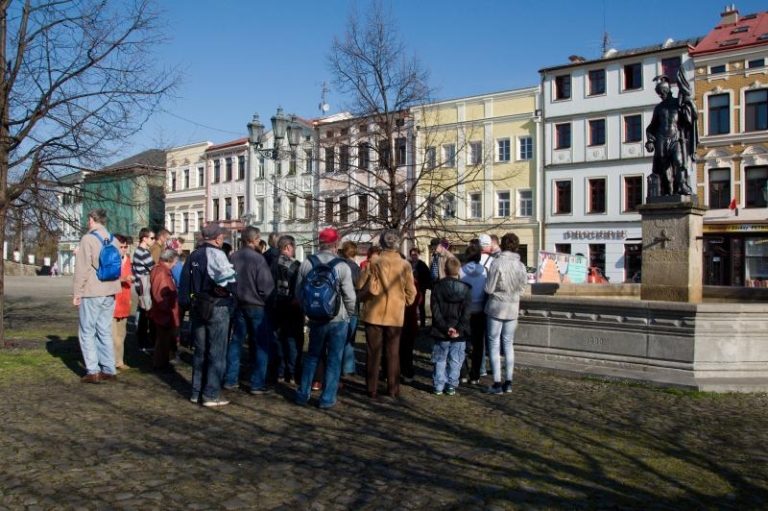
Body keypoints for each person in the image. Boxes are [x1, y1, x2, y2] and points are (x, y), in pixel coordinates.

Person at [294, 227, 356, 409]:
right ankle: (327, 398)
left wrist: (309, 310)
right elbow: (350, 297)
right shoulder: (342, 266)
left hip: (316, 318)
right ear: (336, 244)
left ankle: (302, 394)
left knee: (312, 356)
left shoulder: (307, 263)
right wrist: (348, 315)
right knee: (334, 359)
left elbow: (299, 293)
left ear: (320, 244)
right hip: (337, 320)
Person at [358, 229, 417, 399]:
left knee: (372, 352)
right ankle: (393, 388)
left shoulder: (374, 262)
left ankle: (372, 388)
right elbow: (411, 292)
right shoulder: (405, 265)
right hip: (394, 314)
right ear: (398, 244)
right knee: (393, 353)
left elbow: (360, 284)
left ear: (382, 243)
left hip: (373, 312)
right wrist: (402, 302)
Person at [184, 224, 237, 407]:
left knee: (200, 351)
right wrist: (232, 292)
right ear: (218, 238)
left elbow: (185, 285)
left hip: (197, 306)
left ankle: (196, 391)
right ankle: (211, 394)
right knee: (217, 352)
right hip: (216, 306)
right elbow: (227, 281)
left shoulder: (193, 255)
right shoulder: (216, 254)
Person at [72, 208, 122, 383]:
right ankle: (109, 369)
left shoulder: (88, 239)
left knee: (86, 331)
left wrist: (77, 293)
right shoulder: (113, 239)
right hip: (111, 290)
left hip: (93, 290)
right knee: (104, 330)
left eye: (88, 220)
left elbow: (82, 269)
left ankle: (93, 371)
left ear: (93, 220)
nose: (87, 223)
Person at [225, 227, 275, 393]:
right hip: (256, 305)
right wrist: (265, 299)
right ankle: (257, 383)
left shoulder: (233, 257)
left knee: (236, 342)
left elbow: (227, 281)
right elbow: (266, 286)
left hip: (238, 304)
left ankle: (230, 379)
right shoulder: (258, 259)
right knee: (261, 344)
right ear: (255, 239)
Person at [484, 233, 528, 395]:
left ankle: (497, 382)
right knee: (509, 344)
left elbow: (488, 288)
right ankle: (508, 382)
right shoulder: (521, 266)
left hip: (496, 306)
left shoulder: (497, 263)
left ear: (502, 245)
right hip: (513, 307)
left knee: (494, 344)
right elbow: (523, 288)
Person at [645, 72, 698, 196]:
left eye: (663, 92)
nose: (661, 95)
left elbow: (691, 118)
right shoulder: (658, 108)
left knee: (679, 162)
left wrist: (688, 103)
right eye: (659, 93)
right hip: (662, 139)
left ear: (668, 91)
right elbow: (652, 126)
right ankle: (667, 190)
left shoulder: (677, 103)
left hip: (676, 138)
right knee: (663, 168)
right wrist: (650, 140)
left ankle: (682, 186)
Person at [430, 257, 472, 396]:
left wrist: (445, 327)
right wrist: (458, 329)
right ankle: (451, 385)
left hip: (442, 330)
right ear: (458, 270)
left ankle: (438, 386)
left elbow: (435, 311)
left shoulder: (437, 287)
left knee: (440, 358)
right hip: (458, 331)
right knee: (456, 359)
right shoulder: (466, 288)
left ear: (445, 270)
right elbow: (466, 313)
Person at [269, 235, 304, 384]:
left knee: (278, 339)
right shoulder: (295, 265)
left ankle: (280, 372)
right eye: (294, 247)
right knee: (292, 340)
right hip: (291, 306)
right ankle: (293, 373)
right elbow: (300, 287)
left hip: (274, 305)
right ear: (288, 247)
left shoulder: (269, 262)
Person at [460, 244, 487, 384]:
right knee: (478, 345)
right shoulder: (484, 271)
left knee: (463, 342)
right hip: (480, 310)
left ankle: (463, 372)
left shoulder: (461, 271)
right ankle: (475, 375)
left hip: (465, 310)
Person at [149, 249, 180, 371]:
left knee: (164, 340)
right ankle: (161, 364)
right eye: (175, 262)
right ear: (169, 260)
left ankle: (162, 363)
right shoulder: (161, 273)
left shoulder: (162, 271)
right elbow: (160, 296)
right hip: (164, 313)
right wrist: (167, 311)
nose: (175, 265)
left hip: (165, 312)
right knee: (163, 341)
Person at [132, 228, 155, 353]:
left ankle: (142, 341)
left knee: (142, 313)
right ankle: (143, 342)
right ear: (144, 238)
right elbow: (154, 268)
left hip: (140, 285)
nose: (153, 240)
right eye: (151, 238)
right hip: (144, 286)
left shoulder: (138, 251)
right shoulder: (143, 253)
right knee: (145, 314)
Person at [340, 240, 361, 377]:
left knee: (340, 338)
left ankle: (342, 365)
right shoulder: (356, 268)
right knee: (349, 339)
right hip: (353, 307)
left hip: (340, 307)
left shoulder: (339, 265)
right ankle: (348, 367)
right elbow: (359, 286)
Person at [112, 234, 133, 370]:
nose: (124, 249)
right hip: (113, 301)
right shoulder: (111, 260)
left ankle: (119, 361)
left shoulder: (127, 260)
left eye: (126, 247)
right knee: (113, 336)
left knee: (121, 334)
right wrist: (123, 278)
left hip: (124, 300)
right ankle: (111, 363)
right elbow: (107, 278)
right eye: (121, 246)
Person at [409, 247, 432, 328]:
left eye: (415, 254)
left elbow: (427, 277)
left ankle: (422, 324)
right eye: (412, 255)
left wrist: (424, 287)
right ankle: (412, 324)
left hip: (420, 288)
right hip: (410, 289)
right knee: (411, 306)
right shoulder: (408, 264)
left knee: (421, 306)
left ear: (418, 255)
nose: (414, 256)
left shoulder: (422, 265)